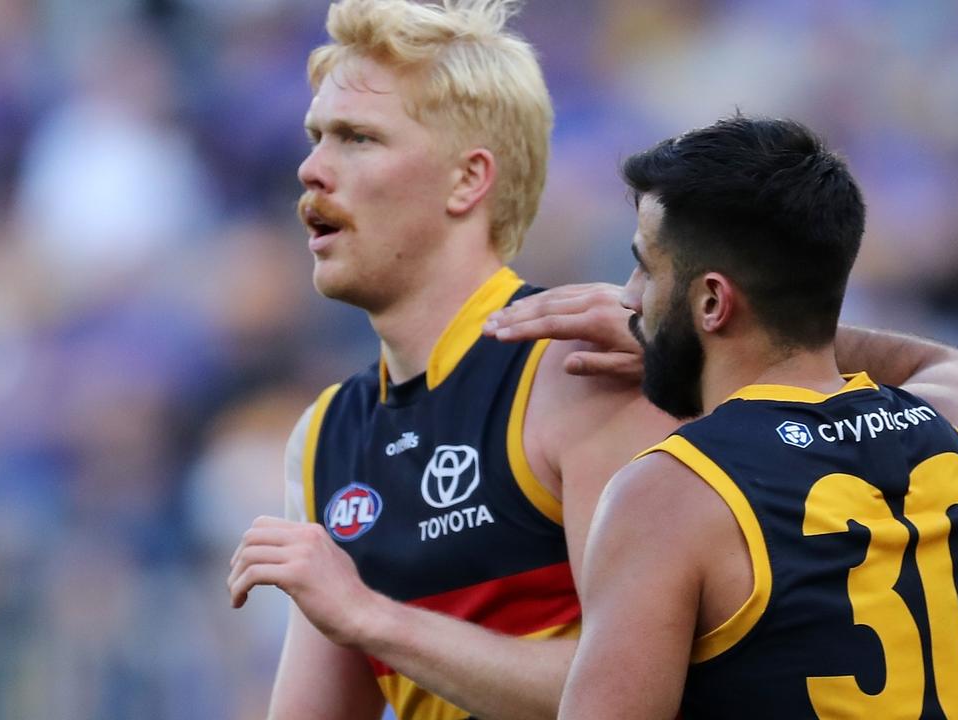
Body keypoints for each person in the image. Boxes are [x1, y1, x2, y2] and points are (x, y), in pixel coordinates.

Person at [224, 1, 680, 718]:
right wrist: (359, 617)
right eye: (316, 138)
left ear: (468, 181)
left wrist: (374, 617)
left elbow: (644, 691)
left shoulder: (578, 370)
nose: (312, 168)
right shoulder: (324, 439)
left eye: (358, 138)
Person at [547, 116, 958, 719]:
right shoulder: (952, 429)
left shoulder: (669, 496)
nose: (629, 298)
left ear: (713, 302)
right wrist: (784, 318)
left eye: (646, 269)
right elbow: (954, 363)